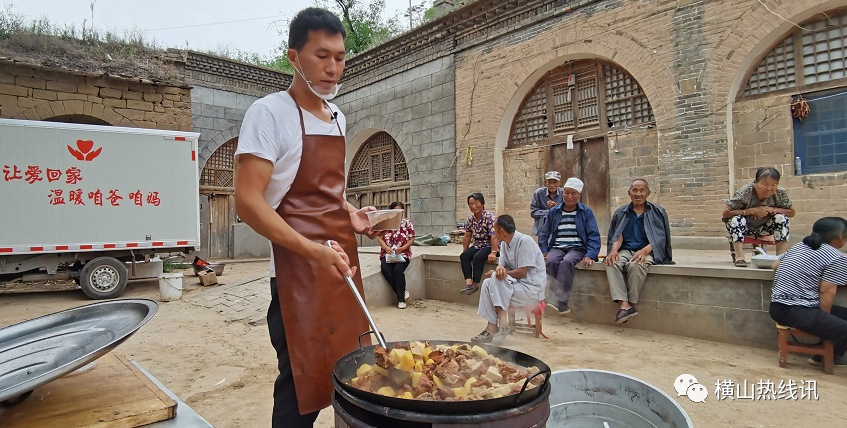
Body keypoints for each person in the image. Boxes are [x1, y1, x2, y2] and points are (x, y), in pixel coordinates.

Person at [233, 8, 381, 428]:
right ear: (293, 56)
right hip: (298, 270)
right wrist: (312, 251)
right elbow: (248, 202)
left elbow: (328, 192)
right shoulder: (268, 113)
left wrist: (352, 214)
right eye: (322, 56)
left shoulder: (338, 117)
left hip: (340, 269)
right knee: (301, 388)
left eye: (340, 57)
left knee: (352, 372)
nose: (333, 68)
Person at [770, 217, 847, 366]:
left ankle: (825, 357)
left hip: (779, 306)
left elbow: (775, 265)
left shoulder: (800, 246)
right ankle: (826, 355)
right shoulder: (836, 257)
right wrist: (825, 318)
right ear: (840, 236)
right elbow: (827, 292)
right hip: (795, 309)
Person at [604, 179, 673, 324]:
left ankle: (631, 304)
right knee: (611, 262)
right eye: (635, 190)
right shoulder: (621, 212)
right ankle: (624, 304)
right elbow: (617, 236)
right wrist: (614, 250)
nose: (638, 194)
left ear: (648, 193)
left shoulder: (657, 212)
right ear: (629, 193)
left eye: (642, 190)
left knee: (636, 265)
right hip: (626, 249)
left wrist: (645, 251)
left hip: (648, 250)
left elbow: (661, 238)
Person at [471, 215, 546, 344]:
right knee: (488, 283)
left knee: (495, 279)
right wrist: (499, 269)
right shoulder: (505, 244)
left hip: (531, 289)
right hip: (515, 287)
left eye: (495, 231)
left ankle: (503, 324)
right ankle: (490, 329)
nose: (493, 234)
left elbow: (522, 272)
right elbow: (502, 264)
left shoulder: (525, 241)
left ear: (502, 231)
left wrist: (499, 273)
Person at [539, 177, 601, 315]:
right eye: (567, 193)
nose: (570, 196)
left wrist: (590, 254)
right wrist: (544, 250)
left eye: (574, 193)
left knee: (567, 262)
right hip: (558, 246)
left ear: (579, 195)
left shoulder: (586, 212)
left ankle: (559, 299)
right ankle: (560, 303)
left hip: (577, 248)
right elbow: (544, 233)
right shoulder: (554, 211)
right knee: (552, 261)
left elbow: (594, 235)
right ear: (562, 193)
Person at [723, 167, 795, 267]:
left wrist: (774, 210)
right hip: (745, 227)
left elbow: (791, 212)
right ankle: (740, 257)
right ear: (755, 183)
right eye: (764, 184)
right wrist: (752, 211)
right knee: (736, 220)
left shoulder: (780, 193)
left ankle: (780, 257)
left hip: (764, 226)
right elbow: (726, 213)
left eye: (774, 185)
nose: (769, 188)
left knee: (781, 218)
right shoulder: (745, 192)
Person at [460, 193, 499, 295]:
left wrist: (494, 252)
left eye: (476, 203)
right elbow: (467, 236)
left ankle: (475, 284)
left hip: (490, 245)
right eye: (470, 204)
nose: (473, 206)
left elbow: (494, 236)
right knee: (464, 256)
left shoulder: (490, 217)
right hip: (478, 244)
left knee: (478, 257)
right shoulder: (470, 219)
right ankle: (469, 284)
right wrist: (466, 250)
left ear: (482, 203)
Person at [378, 201, 415, 309]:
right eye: (395, 211)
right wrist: (386, 248)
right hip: (387, 253)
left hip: (403, 253)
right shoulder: (386, 223)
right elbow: (380, 238)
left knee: (397, 270)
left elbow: (412, 238)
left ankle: (401, 300)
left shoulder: (407, 222)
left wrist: (403, 248)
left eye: (400, 211)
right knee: (385, 269)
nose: (398, 213)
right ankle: (403, 292)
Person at [530, 171, 564, 240]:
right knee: (543, 249)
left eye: (555, 182)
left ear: (560, 183)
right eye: (550, 182)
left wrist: (556, 207)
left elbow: (567, 211)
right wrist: (550, 212)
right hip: (543, 229)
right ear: (546, 182)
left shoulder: (564, 193)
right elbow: (533, 212)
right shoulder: (539, 193)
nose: (552, 185)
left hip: (560, 229)